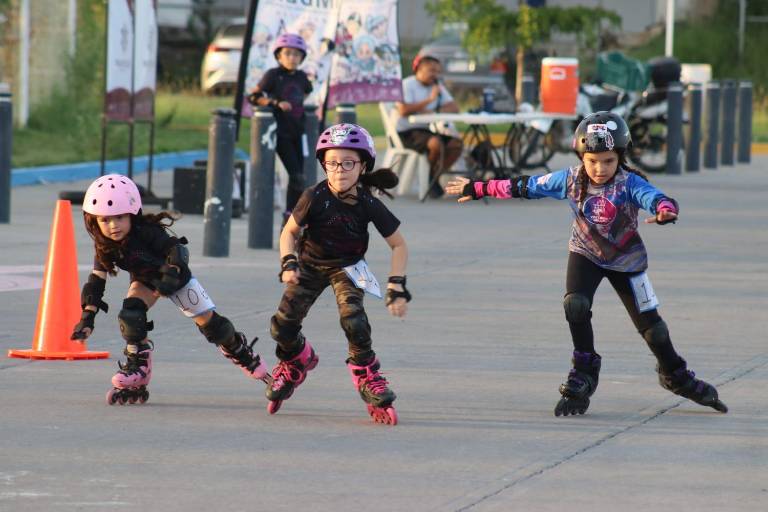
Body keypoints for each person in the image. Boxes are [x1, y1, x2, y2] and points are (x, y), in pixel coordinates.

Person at [444, 111, 727, 416]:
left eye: (608, 160)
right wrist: (478, 188)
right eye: (592, 160)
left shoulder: (630, 183)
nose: (600, 168)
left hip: (627, 259)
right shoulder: (569, 179)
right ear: (581, 156)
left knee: (654, 331)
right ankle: (584, 369)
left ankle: (676, 375)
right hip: (586, 253)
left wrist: (665, 210)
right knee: (575, 304)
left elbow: (655, 197)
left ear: (620, 156)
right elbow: (525, 186)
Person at [71, 174, 270, 405]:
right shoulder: (104, 246)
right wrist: (87, 318)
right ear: (93, 221)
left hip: (175, 278)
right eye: (105, 220)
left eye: (119, 217)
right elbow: (96, 281)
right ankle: (138, 366)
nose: (113, 226)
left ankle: (243, 353)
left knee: (213, 328)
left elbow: (177, 251)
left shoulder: (146, 231)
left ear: (132, 214)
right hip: (146, 281)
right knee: (131, 314)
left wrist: (171, 273)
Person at [266, 123, 411, 425]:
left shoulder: (369, 203)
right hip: (309, 265)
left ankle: (367, 373)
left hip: (348, 268)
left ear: (363, 166)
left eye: (348, 163)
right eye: (332, 163)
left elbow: (398, 244)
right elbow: (289, 232)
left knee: (353, 319)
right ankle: (297, 359)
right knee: (282, 328)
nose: (340, 171)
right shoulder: (314, 196)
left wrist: (396, 285)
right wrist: (288, 263)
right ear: (323, 164)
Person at [248, 33, 313, 225]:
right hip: (281, 134)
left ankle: (293, 217)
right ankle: (289, 218)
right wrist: (275, 102)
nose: (292, 58)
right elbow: (253, 97)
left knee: (300, 180)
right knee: (296, 176)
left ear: (302, 58)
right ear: (279, 56)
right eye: (288, 53)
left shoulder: (302, 77)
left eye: (297, 54)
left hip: (298, 133)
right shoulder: (273, 75)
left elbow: (306, 94)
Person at [396, 53, 464, 199]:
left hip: (427, 130)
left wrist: (434, 110)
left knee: (456, 144)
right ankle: (431, 178)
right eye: (431, 71)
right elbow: (403, 110)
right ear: (418, 70)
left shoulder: (437, 86)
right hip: (407, 131)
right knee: (436, 144)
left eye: (438, 71)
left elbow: (454, 107)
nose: (435, 75)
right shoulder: (407, 85)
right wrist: (429, 100)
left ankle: (432, 176)